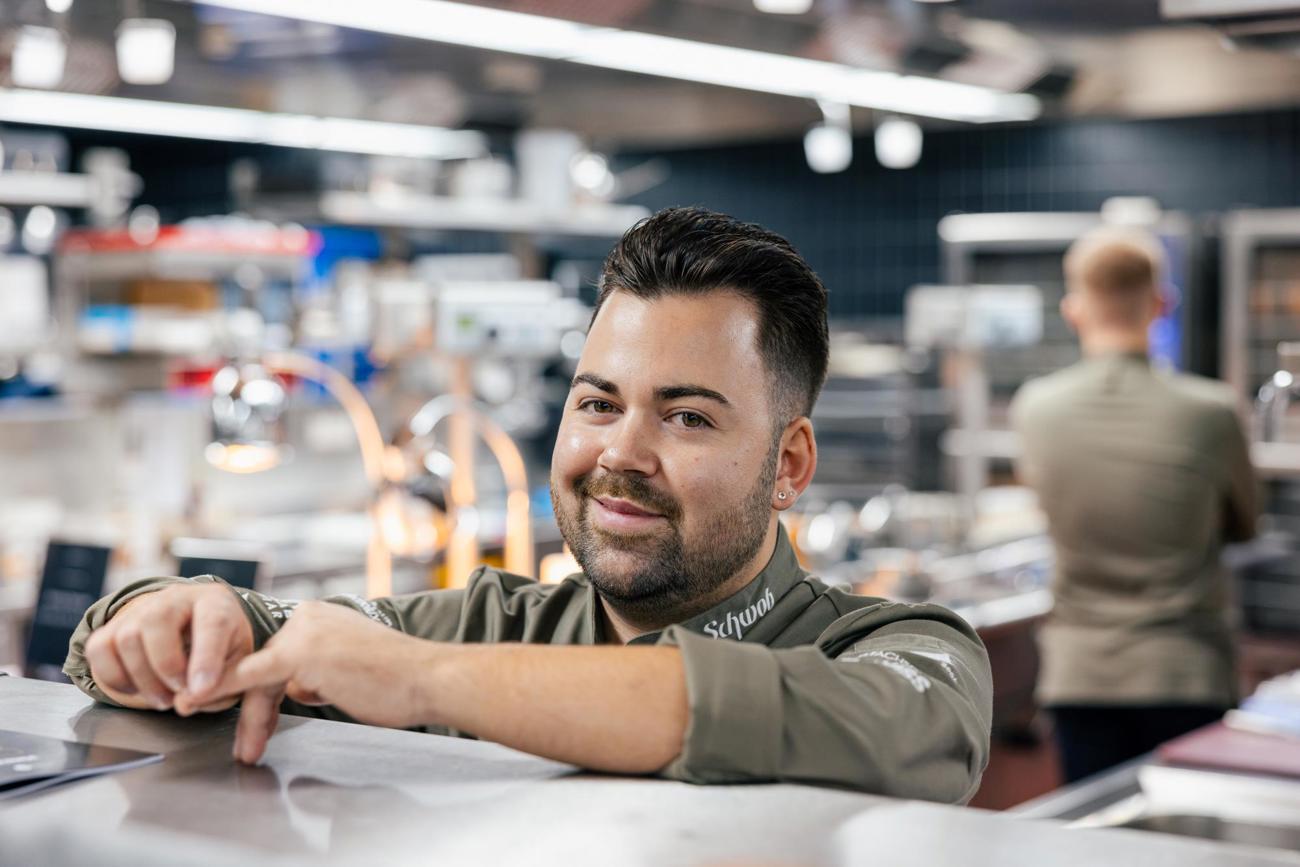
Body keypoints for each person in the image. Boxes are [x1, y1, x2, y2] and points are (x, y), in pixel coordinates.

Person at [64, 207, 992, 802]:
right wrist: (167, 618)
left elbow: (804, 712)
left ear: (789, 465)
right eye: (597, 402)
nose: (621, 455)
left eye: (688, 416)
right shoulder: (495, 620)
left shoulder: (906, 649)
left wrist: (425, 679)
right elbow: (250, 633)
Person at [1011, 226, 1258, 784]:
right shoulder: (1212, 411)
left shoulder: (1036, 408)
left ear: (1074, 310)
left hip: (1082, 675)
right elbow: (1245, 523)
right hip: (1186, 672)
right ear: (1162, 306)